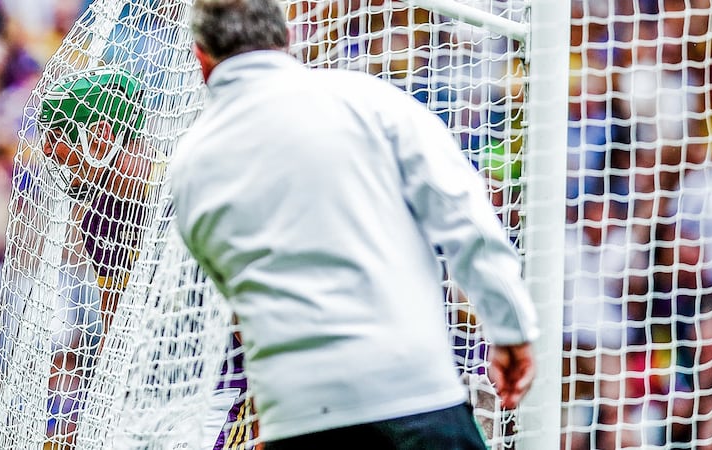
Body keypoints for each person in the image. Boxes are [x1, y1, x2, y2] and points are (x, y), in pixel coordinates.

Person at [171, 0, 539, 448]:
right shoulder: (372, 101)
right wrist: (511, 329)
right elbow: (466, 218)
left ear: (201, 57)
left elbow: (235, 295)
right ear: (285, 39)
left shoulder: (189, 165)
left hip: (297, 418)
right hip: (413, 397)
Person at [37, 67, 254, 449]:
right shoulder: (98, 217)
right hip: (153, 399)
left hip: (226, 386)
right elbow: (114, 326)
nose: (62, 171)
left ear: (101, 137)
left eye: (63, 152)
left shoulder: (192, 189)